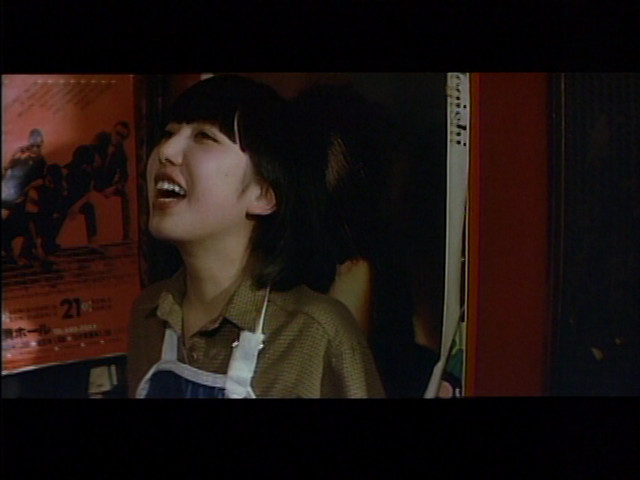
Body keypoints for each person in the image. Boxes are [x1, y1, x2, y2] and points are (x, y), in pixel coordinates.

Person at [127, 75, 384, 398]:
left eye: (204, 136)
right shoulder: (149, 313)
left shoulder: (316, 334)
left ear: (264, 194)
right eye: (168, 133)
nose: (166, 150)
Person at [1, 128, 48, 264]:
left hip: (23, 197)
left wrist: (27, 189)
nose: (35, 148)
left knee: (26, 221)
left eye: (37, 145)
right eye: (33, 145)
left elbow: (40, 180)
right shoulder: (22, 156)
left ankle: (26, 251)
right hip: (12, 195)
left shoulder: (40, 160)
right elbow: (8, 170)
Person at [92, 121, 132, 241]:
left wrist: (114, 188)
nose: (118, 138)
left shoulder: (121, 153)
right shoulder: (100, 138)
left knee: (126, 195)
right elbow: (89, 156)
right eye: (117, 133)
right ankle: (93, 238)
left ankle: (127, 236)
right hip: (92, 180)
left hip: (106, 185)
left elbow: (124, 176)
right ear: (112, 130)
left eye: (122, 137)